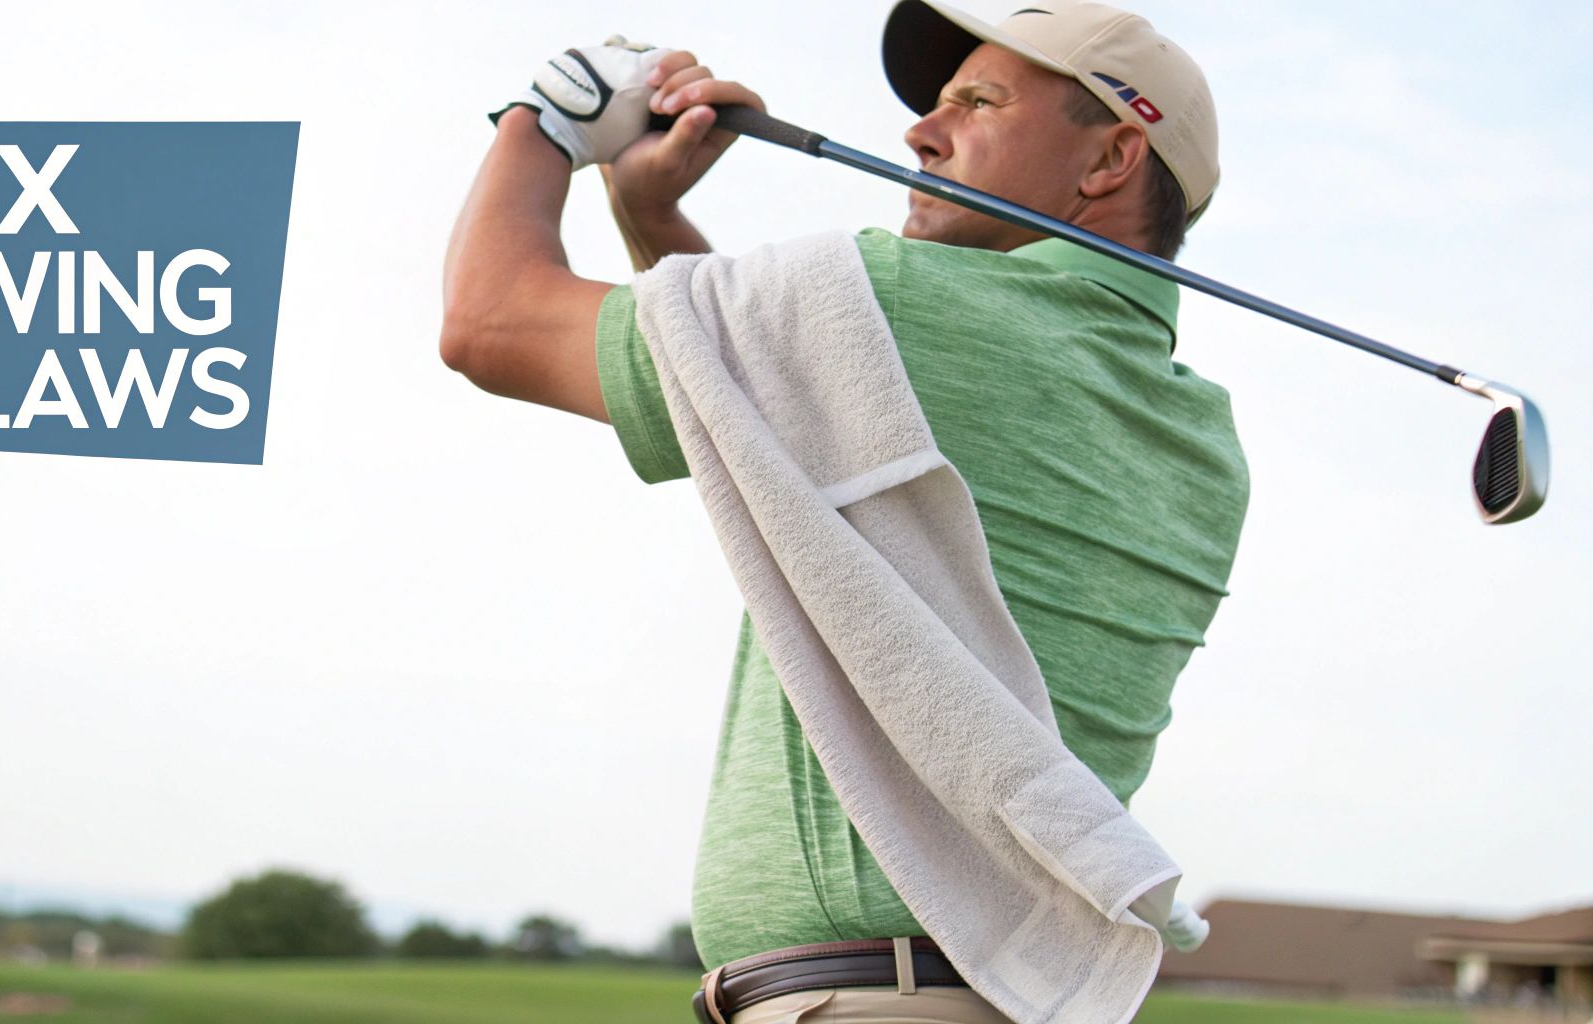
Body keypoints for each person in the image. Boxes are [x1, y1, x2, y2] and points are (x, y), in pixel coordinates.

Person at [440, 2, 1249, 1020]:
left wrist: (549, 116)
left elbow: (489, 322)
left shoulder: (904, 302)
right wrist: (649, 218)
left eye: (977, 102)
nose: (921, 131)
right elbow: (781, 422)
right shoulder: (1203, 437)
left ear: (1111, 158)